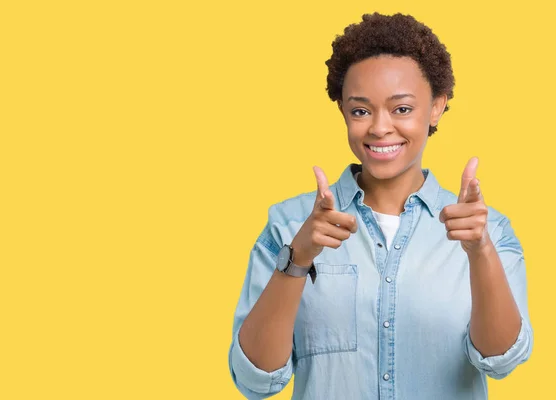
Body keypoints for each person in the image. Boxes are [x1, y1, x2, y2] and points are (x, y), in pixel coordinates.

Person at [228, 12, 533, 400]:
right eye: (361, 110)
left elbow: (501, 359)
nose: (379, 127)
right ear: (342, 110)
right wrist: (298, 259)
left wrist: (480, 251)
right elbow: (255, 379)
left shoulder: (488, 230)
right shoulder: (289, 225)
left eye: (401, 109)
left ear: (436, 107)